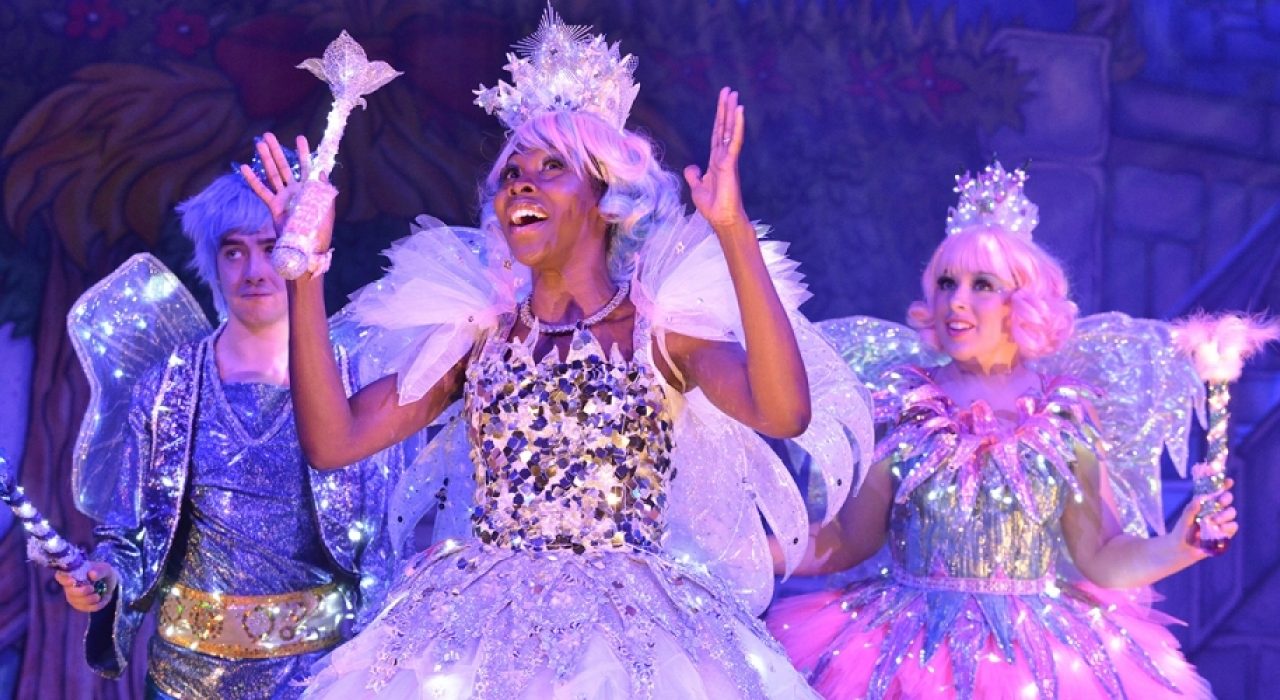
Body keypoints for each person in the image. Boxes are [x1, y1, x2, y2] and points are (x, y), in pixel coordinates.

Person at [243, 8, 872, 698]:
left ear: (607, 196)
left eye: (552, 168)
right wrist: (304, 275)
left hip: (635, 639)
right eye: (512, 171)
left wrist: (731, 230)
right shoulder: (477, 339)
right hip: (474, 629)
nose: (522, 182)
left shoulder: (659, 330)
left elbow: (783, 412)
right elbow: (332, 443)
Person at [764, 162, 1235, 700]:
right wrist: (755, 547)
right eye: (946, 282)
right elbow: (848, 542)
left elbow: (1101, 556)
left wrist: (1182, 545)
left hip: (1034, 661)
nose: (955, 301)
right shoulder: (901, 405)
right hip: (905, 655)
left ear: (1024, 302)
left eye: (981, 285)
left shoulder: (1067, 415)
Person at [56, 156, 400, 699]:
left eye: (270, 246)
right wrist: (108, 578)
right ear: (211, 263)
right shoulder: (166, 390)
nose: (255, 270)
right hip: (182, 680)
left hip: (317, 679)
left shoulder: (356, 384)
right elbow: (131, 536)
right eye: (234, 251)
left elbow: (383, 544)